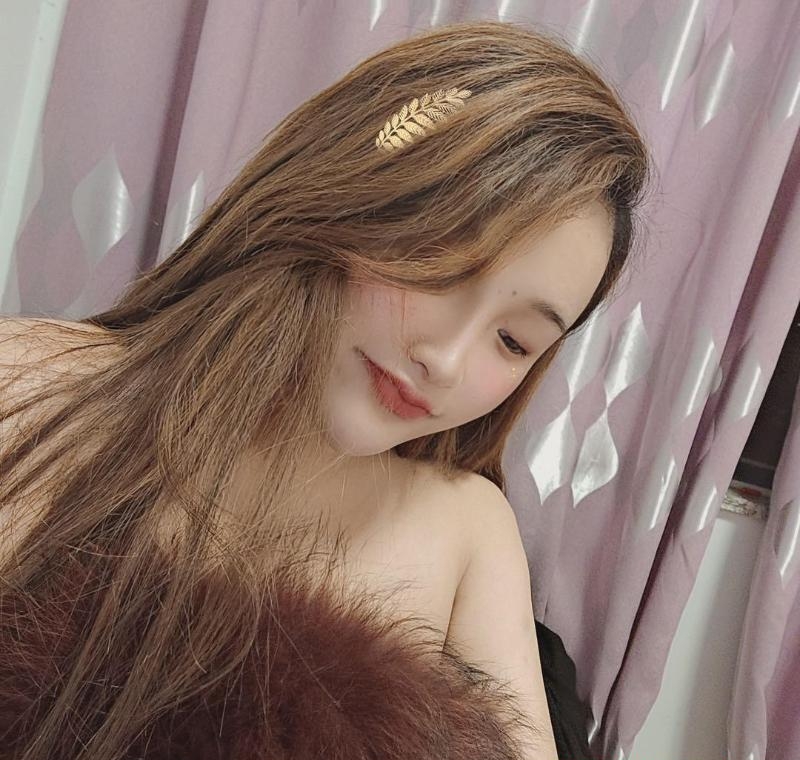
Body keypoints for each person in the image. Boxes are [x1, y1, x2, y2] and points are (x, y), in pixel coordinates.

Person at [0, 19, 650, 760]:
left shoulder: (467, 528)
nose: (445, 360)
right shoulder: (30, 380)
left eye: (514, 342)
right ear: (348, 198)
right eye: (440, 266)